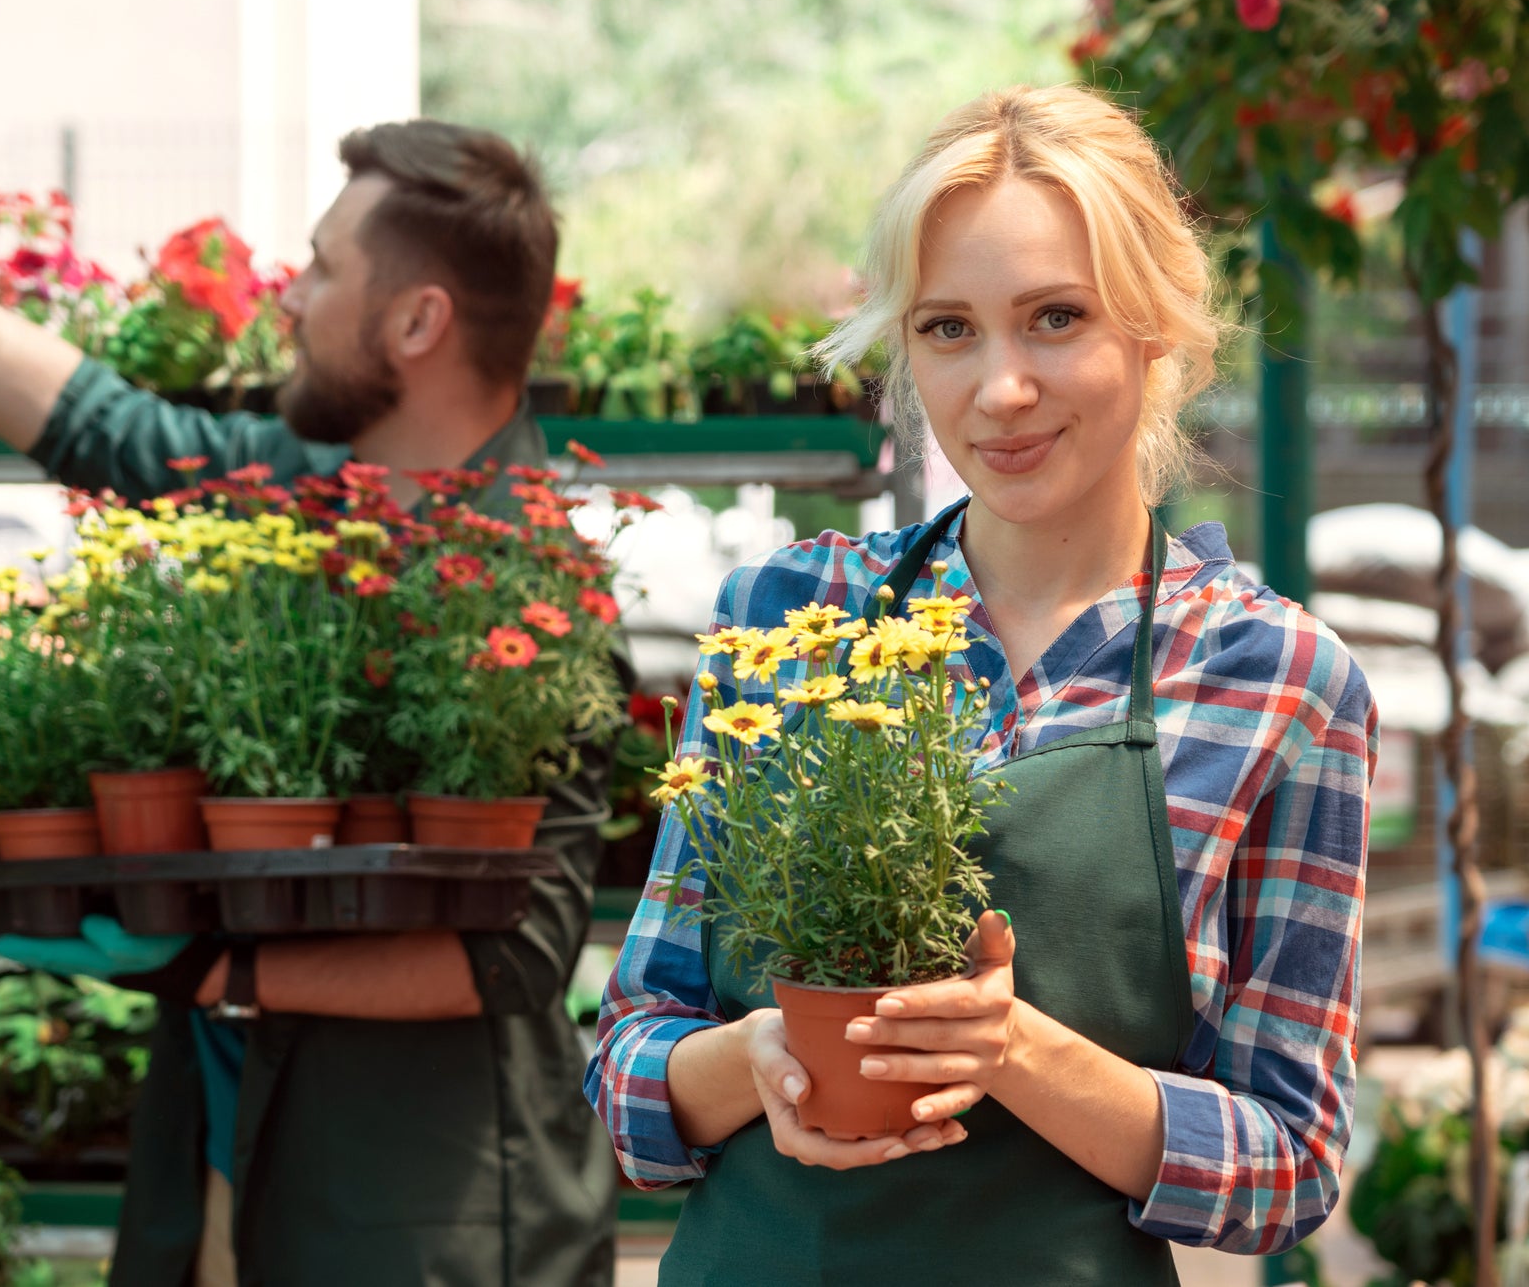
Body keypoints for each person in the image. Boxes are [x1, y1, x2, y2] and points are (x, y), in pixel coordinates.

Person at [0, 120, 619, 1286]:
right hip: (223, 1172)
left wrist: (212, 969)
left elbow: (513, 958)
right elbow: (92, 423)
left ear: (416, 322)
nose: (288, 299)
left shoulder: (536, 597)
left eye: (322, 268)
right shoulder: (310, 490)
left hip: (424, 1216)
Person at [585, 83, 1376, 1285]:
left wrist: (1007, 1048)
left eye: (1054, 317)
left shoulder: (1273, 679)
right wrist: (759, 1058)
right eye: (946, 328)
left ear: (1154, 327)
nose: (998, 389)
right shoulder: (786, 619)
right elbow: (626, 1063)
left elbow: (1290, 1166)